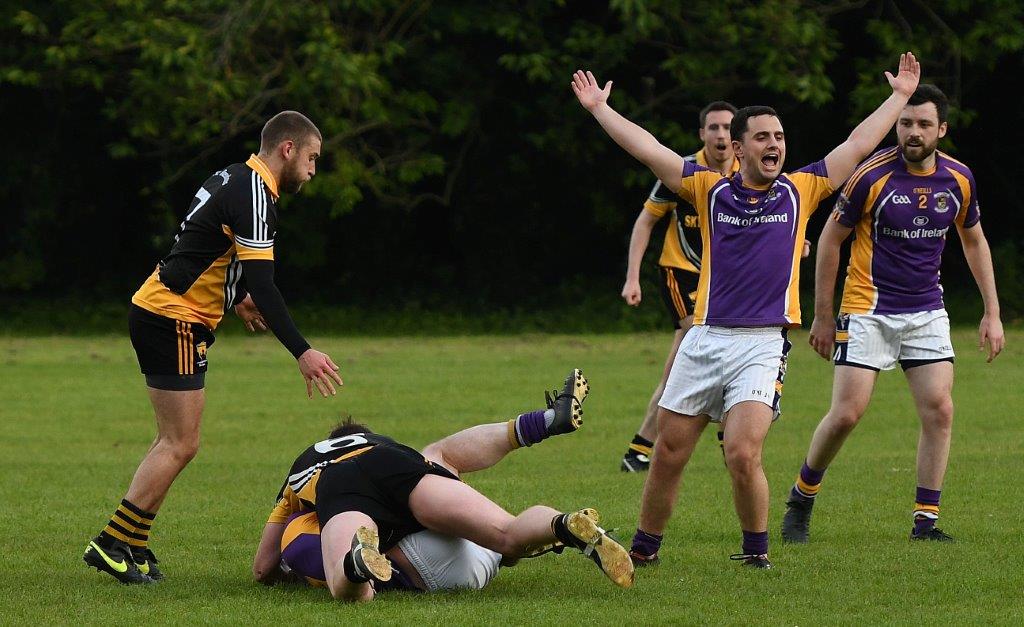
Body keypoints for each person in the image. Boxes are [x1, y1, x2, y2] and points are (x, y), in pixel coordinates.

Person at [571, 52, 920, 569]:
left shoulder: (800, 190)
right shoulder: (707, 190)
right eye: (762, 137)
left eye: (778, 136)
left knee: (741, 450)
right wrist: (601, 109)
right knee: (668, 452)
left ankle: (756, 553)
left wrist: (898, 98)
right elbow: (648, 150)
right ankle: (644, 551)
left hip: (761, 345)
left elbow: (856, 145)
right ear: (736, 148)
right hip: (704, 338)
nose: (774, 144)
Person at [83, 111, 345, 585]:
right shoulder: (257, 195)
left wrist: (235, 297)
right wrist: (302, 351)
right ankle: (113, 543)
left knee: (173, 441)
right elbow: (265, 284)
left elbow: (203, 248)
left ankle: (133, 544)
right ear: (287, 149)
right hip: (173, 319)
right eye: (311, 159)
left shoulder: (233, 175)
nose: (311, 170)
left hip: (162, 310)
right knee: (181, 443)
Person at [781, 84, 1004, 544]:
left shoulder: (959, 178)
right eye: (906, 123)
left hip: (926, 311)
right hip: (867, 309)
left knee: (940, 409)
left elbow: (974, 240)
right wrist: (823, 317)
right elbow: (830, 241)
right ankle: (802, 496)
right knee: (846, 414)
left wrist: (992, 313)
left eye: (924, 124)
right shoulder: (872, 175)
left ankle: (926, 521)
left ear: (941, 129)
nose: (913, 132)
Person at [251, 370, 635, 601]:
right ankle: (562, 521)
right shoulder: (381, 442)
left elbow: (262, 567)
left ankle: (354, 565)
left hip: (341, 487)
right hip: (401, 465)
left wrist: (286, 571)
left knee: (347, 588)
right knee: (504, 531)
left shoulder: (307, 464)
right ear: (362, 435)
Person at [619, 101, 739, 473]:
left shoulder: (745, 173)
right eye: (714, 127)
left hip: (724, 280)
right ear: (702, 133)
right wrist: (632, 276)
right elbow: (645, 222)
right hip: (681, 274)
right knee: (700, 341)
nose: (721, 135)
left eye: (728, 128)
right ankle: (725, 432)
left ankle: (640, 447)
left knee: (680, 363)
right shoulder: (683, 173)